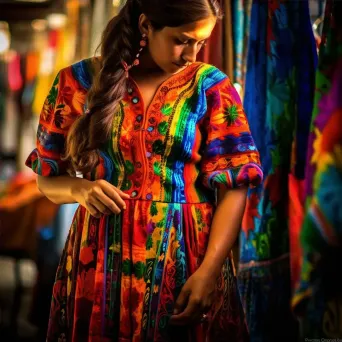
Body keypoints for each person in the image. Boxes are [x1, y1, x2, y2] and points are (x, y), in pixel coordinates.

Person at [26, 0, 263, 341]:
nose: (191, 54)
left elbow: (236, 185)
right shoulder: (76, 82)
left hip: (188, 257)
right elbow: (46, 180)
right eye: (182, 40)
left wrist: (209, 272)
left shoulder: (211, 87)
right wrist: (81, 190)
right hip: (100, 258)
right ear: (146, 25)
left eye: (200, 42)